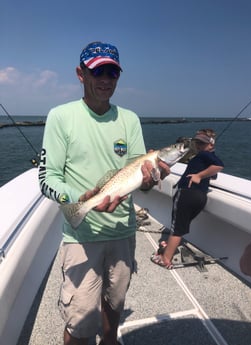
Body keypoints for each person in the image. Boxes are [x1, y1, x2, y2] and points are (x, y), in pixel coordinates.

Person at [38, 41, 170, 345]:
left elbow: (139, 177)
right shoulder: (61, 116)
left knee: (114, 305)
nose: (106, 80)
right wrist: (79, 198)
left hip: (124, 233)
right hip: (82, 237)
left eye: (113, 72)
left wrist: (151, 178)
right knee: (80, 323)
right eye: (98, 71)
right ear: (80, 74)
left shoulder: (130, 120)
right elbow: (47, 178)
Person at [151, 128, 224, 269]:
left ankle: (165, 258)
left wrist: (199, 176)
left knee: (177, 227)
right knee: (181, 224)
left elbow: (219, 166)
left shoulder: (204, 155)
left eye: (202, 143)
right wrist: (202, 173)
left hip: (187, 194)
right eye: (197, 143)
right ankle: (171, 246)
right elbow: (213, 174)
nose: (198, 146)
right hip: (199, 197)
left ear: (211, 144)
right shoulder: (204, 158)